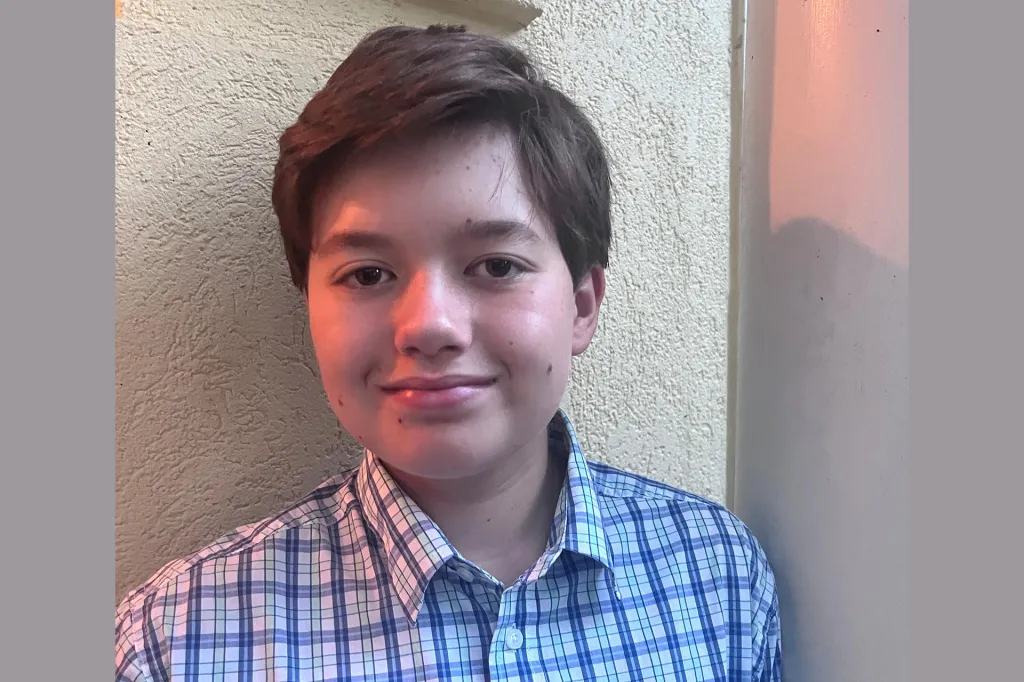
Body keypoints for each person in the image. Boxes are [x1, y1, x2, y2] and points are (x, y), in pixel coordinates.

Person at [115, 24, 781, 682]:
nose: (430, 326)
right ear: (310, 309)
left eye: (495, 265)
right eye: (369, 274)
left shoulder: (716, 579)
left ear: (581, 306)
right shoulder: (178, 642)